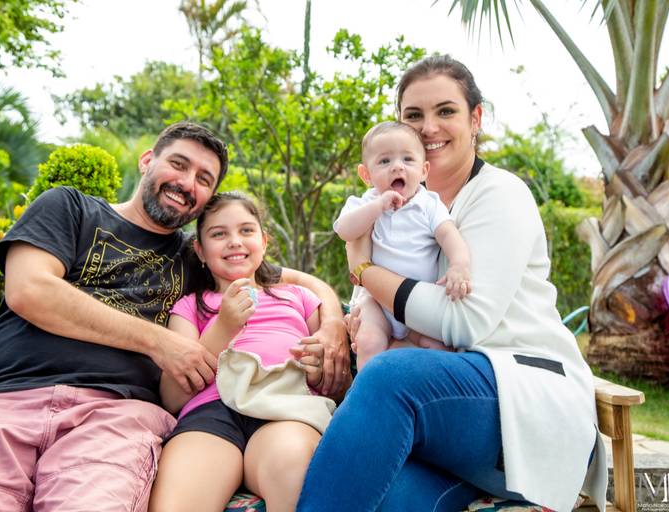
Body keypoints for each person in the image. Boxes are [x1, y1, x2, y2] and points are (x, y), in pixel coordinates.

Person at [0, 121, 349, 512]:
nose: (187, 183)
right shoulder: (70, 208)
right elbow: (29, 289)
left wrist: (331, 320)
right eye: (178, 164)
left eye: (204, 179)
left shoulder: (194, 254)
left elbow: (279, 276)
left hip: (114, 415)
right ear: (147, 161)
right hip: (0, 403)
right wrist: (159, 342)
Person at [297, 55, 606, 512]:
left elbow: (463, 322)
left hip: (522, 402)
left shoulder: (500, 195)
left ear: (475, 119)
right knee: (380, 493)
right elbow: (378, 307)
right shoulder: (401, 206)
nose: (428, 128)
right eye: (413, 115)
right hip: (447, 418)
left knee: (388, 377)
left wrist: (364, 270)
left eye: (445, 111)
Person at [149, 192, 330, 512]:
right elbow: (172, 396)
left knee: (294, 469)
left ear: (264, 241)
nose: (235, 241)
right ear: (200, 250)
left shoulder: (297, 297)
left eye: (246, 230)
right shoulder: (189, 306)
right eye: (219, 234)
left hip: (284, 407)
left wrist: (321, 370)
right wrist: (224, 326)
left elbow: (335, 374)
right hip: (212, 414)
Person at [333, 120, 471, 370]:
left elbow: (449, 235)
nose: (397, 166)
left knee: (437, 346)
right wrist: (378, 206)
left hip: (418, 302)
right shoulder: (365, 203)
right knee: (369, 341)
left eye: (408, 159)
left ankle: (405, 375)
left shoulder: (428, 204)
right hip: (376, 301)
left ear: (424, 170)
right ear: (366, 174)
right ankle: (365, 386)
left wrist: (459, 265)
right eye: (385, 161)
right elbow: (344, 230)